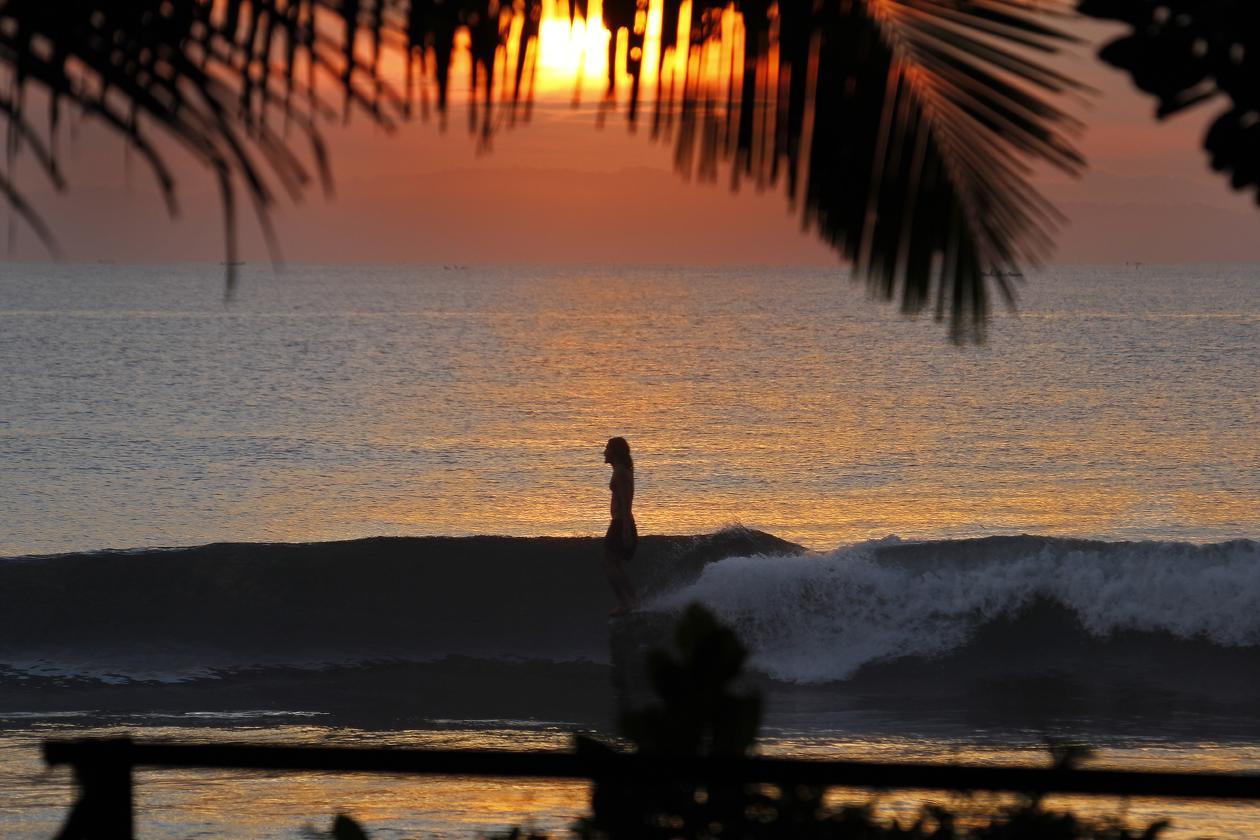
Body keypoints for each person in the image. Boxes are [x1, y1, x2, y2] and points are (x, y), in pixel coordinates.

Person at [603, 436, 638, 616]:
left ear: (614, 452)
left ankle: (627, 603)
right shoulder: (622, 471)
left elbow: (626, 503)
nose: (604, 452)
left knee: (609, 564)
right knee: (613, 564)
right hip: (620, 522)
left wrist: (625, 529)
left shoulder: (621, 473)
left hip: (620, 523)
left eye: (607, 448)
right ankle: (632, 601)